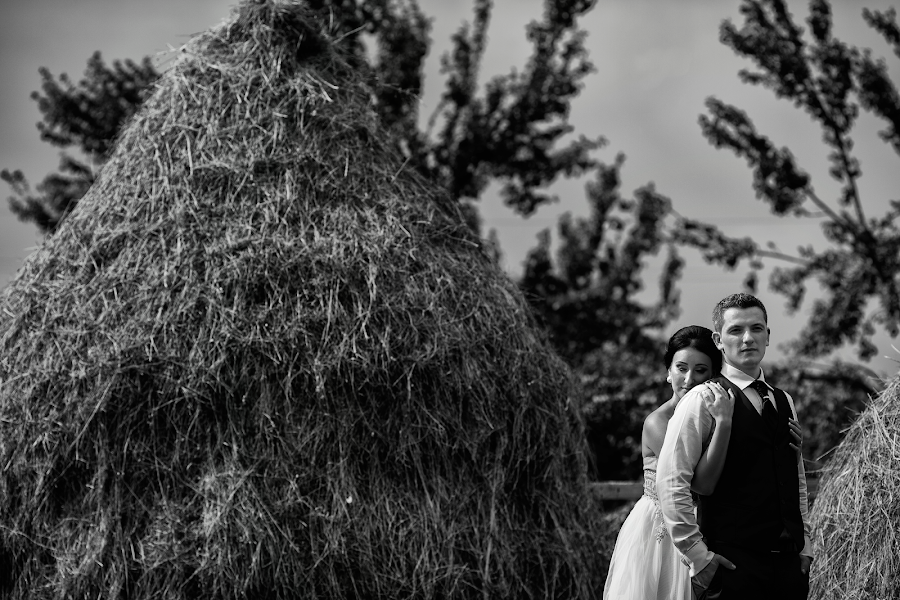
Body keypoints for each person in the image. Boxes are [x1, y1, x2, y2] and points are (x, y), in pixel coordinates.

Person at [657, 293, 812, 600]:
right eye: (735, 330)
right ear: (718, 340)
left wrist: (806, 546)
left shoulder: (785, 401)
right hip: (730, 569)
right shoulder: (701, 399)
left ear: (768, 335)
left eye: (756, 328)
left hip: (788, 568)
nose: (747, 339)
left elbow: (795, 478)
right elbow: (671, 480)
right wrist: (698, 557)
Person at [603, 325, 735, 600]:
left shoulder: (712, 413)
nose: (689, 379)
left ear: (713, 376)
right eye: (681, 367)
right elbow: (702, 485)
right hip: (662, 531)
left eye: (700, 370)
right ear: (668, 371)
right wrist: (723, 424)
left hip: (709, 525)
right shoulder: (657, 422)